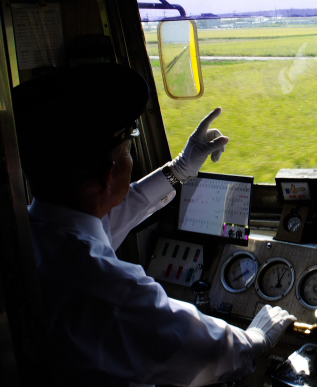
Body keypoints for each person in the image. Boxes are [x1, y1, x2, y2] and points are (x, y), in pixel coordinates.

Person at [12, 63, 296, 387]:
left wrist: (178, 170)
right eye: (129, 151)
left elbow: (104, 222)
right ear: (108, 176)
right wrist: (256, 337)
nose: (131, 162)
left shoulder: (30, 235)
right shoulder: (110, 291)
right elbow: (209, 354)